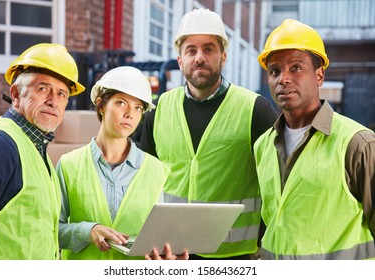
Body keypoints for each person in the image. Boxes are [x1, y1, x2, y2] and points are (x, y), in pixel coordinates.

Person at [136, 9, 278, 260]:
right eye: (191, 50)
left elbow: (276, 186)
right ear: (180, 60)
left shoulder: (255, 110)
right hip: (173, 251)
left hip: (236, 255)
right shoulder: (157, 110)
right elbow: (142, 183)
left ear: (223, 57)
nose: (199, 57)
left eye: (209, 49)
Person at [254, 19, 375, 260]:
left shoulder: (358, 144)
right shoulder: (263, 146)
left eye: (296, 68)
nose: (283, 79)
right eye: (275, 71)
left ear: (319, 75)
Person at [56, 66, 188, 260]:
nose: (130, 114)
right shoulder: (69, 165)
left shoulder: (157, 171)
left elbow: (164, 235)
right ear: (101, 105)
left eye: (138, 108)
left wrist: (168, 257)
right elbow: (51, 230)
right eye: (121, 103)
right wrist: (87, 231)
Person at [0, 43, 85, 259]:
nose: (53, 101)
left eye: (62, 94)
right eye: (42, 88)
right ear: (16, 94)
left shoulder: (37, 149)